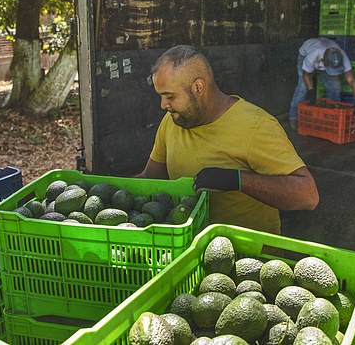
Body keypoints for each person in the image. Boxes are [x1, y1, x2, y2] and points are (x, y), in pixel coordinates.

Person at [137, 45, 319, 235]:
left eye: (170, 96)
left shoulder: (255, 126)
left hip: (247, 258)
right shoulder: (172, 121)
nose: (163, 105)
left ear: (198, 87)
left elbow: (308, 195)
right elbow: (151, 178)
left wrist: (238, 180)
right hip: (189, 248)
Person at [288, 38, 355, 131]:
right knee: (302, 87)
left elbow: (351, 80)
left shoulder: (342, 56)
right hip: (305, 54)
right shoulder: (313, 55)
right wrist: (311, 91)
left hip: (325, 56)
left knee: (335, 87)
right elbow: (306, 75)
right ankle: (293, 117)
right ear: (323, 61)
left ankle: (333, 117)